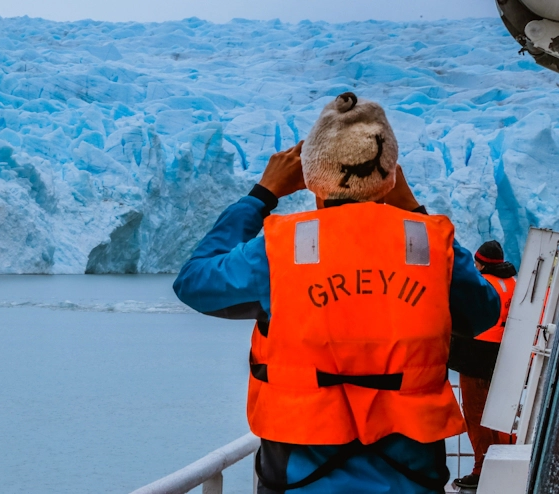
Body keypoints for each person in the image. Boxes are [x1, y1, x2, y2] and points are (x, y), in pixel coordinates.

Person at [173, 92, 501, 494]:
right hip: (410, 477)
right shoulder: (429, 247)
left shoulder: (280, 251)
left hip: (299, 476)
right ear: (391, 176)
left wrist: (262, 195)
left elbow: (193, 283)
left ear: (312, 179)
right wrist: (414, 210)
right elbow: (483, 312)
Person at [447, 240, 518, 489]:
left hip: (476, 359)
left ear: (481, 263)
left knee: (477, 416)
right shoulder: (513, 283)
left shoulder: (484, 286)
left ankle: (482, 468)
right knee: (503, 416)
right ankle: (508, 463)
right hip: (505, 360)